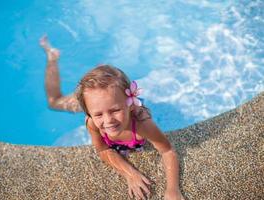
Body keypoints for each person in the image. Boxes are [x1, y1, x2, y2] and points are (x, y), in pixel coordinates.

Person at [40, 35, 185, 200]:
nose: (108, 121)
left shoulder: (142, 123)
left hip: (116, 103)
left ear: (129, 105)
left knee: (107, 96)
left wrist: (172, 190)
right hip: (97, 101)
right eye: (98, 115)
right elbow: (103, 149)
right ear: (88, 113)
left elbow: (167, 150)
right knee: (54, 102)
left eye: (115, 110)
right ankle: (53, 57)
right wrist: (130, 173)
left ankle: (103, 73)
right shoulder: (92, 123)